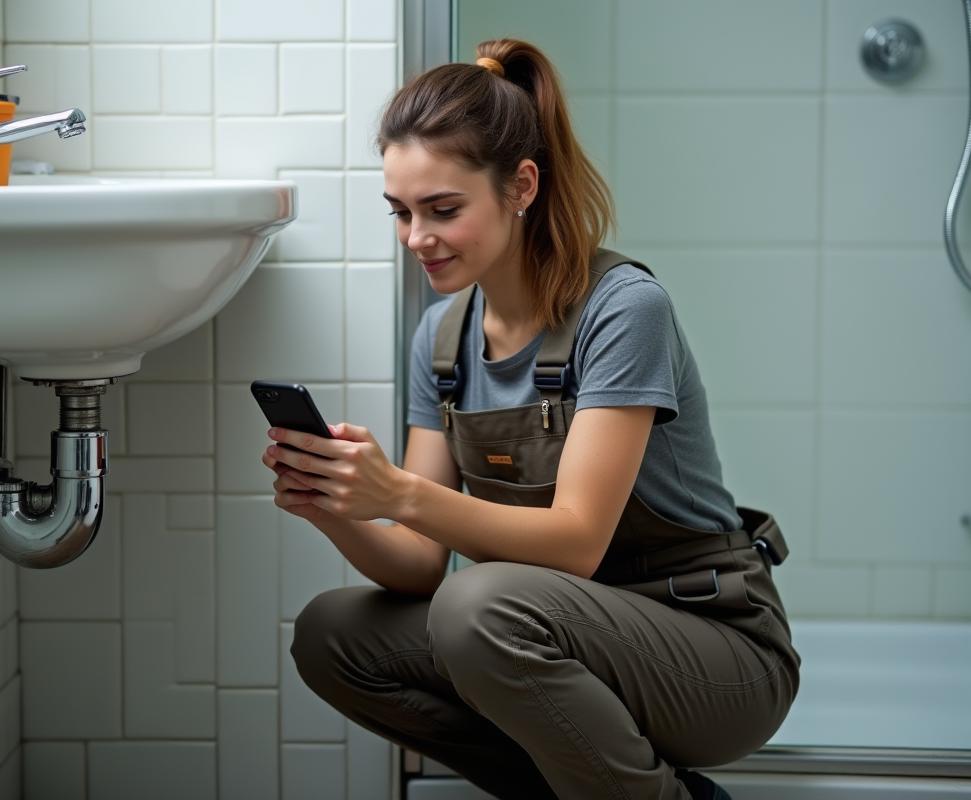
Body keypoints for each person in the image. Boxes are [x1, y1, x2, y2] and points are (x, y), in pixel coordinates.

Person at [261, 38, 799, 800]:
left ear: (521, 186)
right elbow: (419, 563)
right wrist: (337, 504)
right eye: (401, 212)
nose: (418, 238)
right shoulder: (441, 340)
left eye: (444, 209)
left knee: (478, 605)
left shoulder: (622, 311)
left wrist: (402, 494)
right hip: (552, 637)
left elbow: (577, 544)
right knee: (333, 635)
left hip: (713, 654)